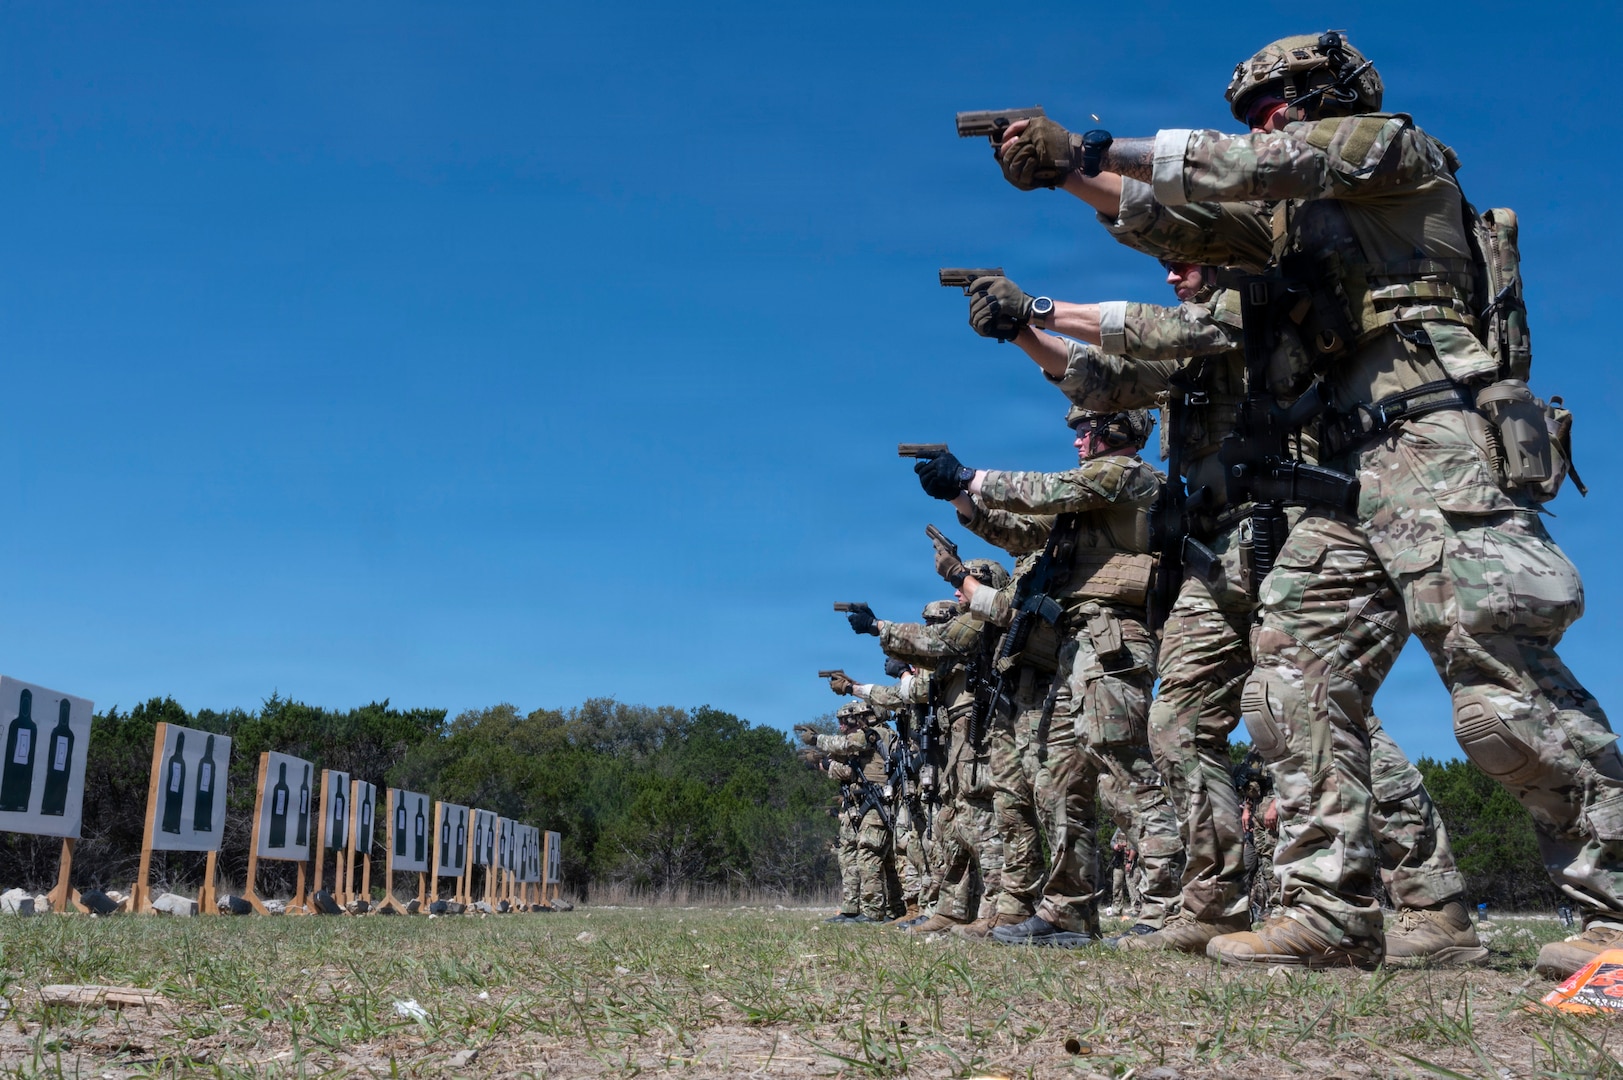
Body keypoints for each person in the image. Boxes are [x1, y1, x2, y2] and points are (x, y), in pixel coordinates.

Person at [992, 30, 1615, 973]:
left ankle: (1612, 907)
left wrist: (1087, 149)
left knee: (1498, 685)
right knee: (1287, 682)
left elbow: (1249, 166)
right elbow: (1182, 225)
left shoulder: (1391, 152)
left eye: (1278, 98)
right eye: (1251, 109)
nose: (1264, 119)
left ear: (1336, 91)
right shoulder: (1287, 224)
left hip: (1433, 442)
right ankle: (1329, 911)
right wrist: (1069, 183)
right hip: (1346, 474)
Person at [960, 262, 1484, 965]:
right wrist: (1023, 331)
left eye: (1184, 256)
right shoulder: (1183, 355)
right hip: (1212, 553)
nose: (1172, 270)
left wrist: (1041, 308)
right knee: (1176, 724)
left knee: (1327, 713)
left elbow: (1148, 337)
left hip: (1291, 528)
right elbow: (1103, 377)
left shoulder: (1256, 306)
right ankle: (1212, 903)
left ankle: (1431, 903)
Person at [918, 406, 1184, 947]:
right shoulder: (1082, 509)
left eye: (1087, 431)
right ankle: (1069, 909)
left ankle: (1169, 905)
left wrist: (971, 475)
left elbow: (1045, 492)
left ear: (1118, 432)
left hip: (1112, 637)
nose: (1078, 441)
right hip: (1075, 646)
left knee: (1122, 767)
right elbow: (1018, 531)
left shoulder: (1127, 475)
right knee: (1063, 782)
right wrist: (959, 499)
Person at [801, 701, 902, 923]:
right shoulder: (876, 735)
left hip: (877, 804)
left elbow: (845, 749)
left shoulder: (875, 734)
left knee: (870, 855)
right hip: (867, 803)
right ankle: (869, 909)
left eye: (851, 719)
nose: (847, 724)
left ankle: (874, 911)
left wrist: (819, 744)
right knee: (874, 858)